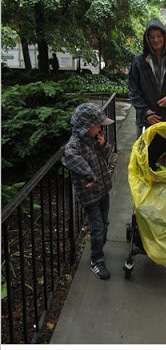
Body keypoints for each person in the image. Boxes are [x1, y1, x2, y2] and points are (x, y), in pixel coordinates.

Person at [61, 103, 114, 280]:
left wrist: (104, 144)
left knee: (105, 223)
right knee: (97, 227)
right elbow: (71, 158)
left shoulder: (94, 139)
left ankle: (99, 247)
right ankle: (96, 259)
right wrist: (90, 176)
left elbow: (108, 155)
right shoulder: (75, 145)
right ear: (86, 126)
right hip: (89, 195)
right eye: (98, 125)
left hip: (103, 189)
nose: (100, 128)